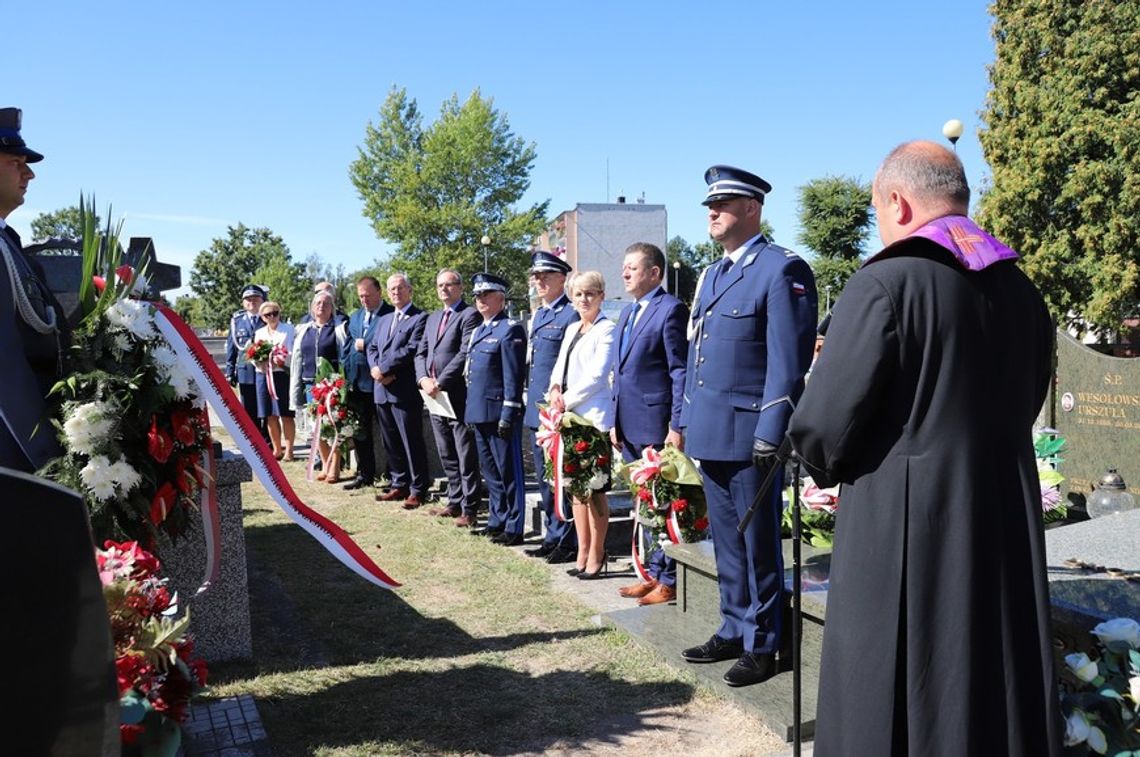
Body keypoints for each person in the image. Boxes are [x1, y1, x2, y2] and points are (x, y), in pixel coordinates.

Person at [787, 141, 1062, 755]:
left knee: (893, 688)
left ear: (897, 202)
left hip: (904, 528)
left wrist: (815, 456)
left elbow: (823, 427)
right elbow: (1027, 399)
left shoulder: (885, 282)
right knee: (994, 682)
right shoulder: (1023, 291)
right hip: (1001, 520)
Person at [678, 165, 817, 687]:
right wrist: (687, 417)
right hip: (711, 428)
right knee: (726, 541)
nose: (712, 213)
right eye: (710, 205)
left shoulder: (782, 269)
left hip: (751, 433)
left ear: (752, 209)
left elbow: (788, 361)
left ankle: (764, 642)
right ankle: (733, 626)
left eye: (724, 204)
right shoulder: (712, 274)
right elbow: (699, 354)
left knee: (758, 543)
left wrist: (772, 427)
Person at [610, 243, 689, 605]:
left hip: (656, 425)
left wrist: (677, 425)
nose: (625, 273)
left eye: (633, 268)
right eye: (624, 267)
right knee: (643, 505)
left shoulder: (670, 310)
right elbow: (621, 373)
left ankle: (669, 579)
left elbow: (678, 372)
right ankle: (651, 573)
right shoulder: (627, 314)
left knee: (663, 505)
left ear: (654, 273)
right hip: (628, 426)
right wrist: (614, 421)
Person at [0, 107, 68, 472]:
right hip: (13, 454)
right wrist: (50, 461)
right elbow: (4, 366)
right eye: (16, 161)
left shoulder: (7, 242)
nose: (30, 173)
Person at [548, 271, 616, 578]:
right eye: (578, 294)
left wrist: (566, 400)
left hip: (592, 421)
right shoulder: (573, 327)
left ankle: (598, 554)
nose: (584, 299)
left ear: (601, 296)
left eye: (591, 293)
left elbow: (597, 376)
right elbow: (559, 367)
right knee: (575, 490)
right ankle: (582, 551)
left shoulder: (607, 329)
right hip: (568, 420)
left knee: (595, 490)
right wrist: (553, 391)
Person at [522, 251, 580, 564]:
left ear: (562, 278)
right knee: (545, 479)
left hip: (557, 411)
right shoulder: (540, 315)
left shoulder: (570, 315)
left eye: (546, 276)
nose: (539, 281)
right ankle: (552, 535)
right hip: (537, 409)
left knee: (561, 478)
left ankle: (568, 540)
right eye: (537, 277)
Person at [415, 268, 483, 526]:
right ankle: (454, 501)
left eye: (449, 284)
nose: (444, 289)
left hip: (456, 394)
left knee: (465, 452)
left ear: (461, 288)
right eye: (440, 285)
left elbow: (464, 353)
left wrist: (441, 382)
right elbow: (421, 353)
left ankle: (470, 507)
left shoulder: (469, 315)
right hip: (432, 396)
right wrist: (423, 380)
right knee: (446, 451)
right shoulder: (432, 318)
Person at [464, 273, 528, 546]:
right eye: (477, 296)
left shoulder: (510, 329)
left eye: (486, 295)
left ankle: (514, 527)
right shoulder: (479, 330)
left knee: (508, 472)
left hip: (500, 412)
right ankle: (496, 519)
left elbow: (513, 377)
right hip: (479, 411)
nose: (480, 300)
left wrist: (508, 412)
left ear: (500, 298)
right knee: (490, 472)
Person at [368, 273, 429, 508]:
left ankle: (417, 488)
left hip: (403, 389)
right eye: (392, 289)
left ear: (410, 290)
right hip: (381, 390)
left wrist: (383, 369)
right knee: (390, 441)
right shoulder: (384, 320)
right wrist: (375, 368)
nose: (396, 292)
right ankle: (398, 483)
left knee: (410, 440)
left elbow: (412, 349)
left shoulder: (420, 318)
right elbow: (372, 347)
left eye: (400, 288)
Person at [340, 275, 393, 491]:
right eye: (361, 296)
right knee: (360, 432)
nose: (364, 300)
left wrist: (367, 343)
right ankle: (365, 474)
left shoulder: (390, 315)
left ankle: (393, 475)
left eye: (368, 296)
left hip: (382, 383)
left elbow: (391, 342)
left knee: (388, 432)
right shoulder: (356, 317)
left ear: (379, 292)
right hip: (357, 384)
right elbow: (348, 346)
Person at [290, 290, 347, 481]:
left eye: (326, 303)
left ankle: (335, 466)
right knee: (316, 428)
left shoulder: (338, 328)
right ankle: (324, 464)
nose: (321, 306)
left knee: (332, 426)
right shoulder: (304, 330)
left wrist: (340, 383)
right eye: (318, 303)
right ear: (312, 308)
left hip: (331, 385)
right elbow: (297, 360)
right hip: (310, 386)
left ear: (332, 308)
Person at [253, 300, 296, 461]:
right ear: (263, 317)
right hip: (263, 375)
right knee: (269, 414)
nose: (272, 317)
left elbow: (294, 351)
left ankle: (289, 450)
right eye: (267, 314)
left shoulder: (288, 330)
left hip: (281, 375)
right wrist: (259, 360)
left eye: (275, 313)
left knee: (285, 414)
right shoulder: (259, 333)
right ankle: (276, 448)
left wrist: (282, 360)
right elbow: (253, 353)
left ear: (279, 314)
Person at [225, 284, 269, 442]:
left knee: (266, 406)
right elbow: (232, 347)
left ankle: (267, 438)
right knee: (248, 407)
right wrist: (230, 371)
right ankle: (253, 439)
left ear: (262, 300)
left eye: (256, 298)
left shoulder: (269, 317)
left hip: (265, 370)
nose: (252, 302)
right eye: (248, 299)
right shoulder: (237, 321)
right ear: (243, 302)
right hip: (246, 370)